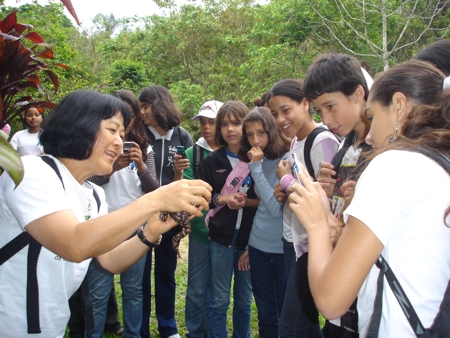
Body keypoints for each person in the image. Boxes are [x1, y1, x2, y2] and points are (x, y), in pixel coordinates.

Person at [0, 90, 211, 338]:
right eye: (112, 131)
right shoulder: (32, 171)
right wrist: (157, 198)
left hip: (50, 326)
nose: (120, 141)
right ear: (80, 125)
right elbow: (74, 244)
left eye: (122, 134)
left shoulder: (93, 194)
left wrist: (152, 229)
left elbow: (110, 260)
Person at [288, 60, 450, 337]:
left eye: (372, 117)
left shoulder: (394, 165)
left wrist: (315, 223)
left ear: (399, 105)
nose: (371, 136)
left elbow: (330, 300)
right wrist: (332, 221)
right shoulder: (440, 163)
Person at [303, 54, 373, 338]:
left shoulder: (385, 151)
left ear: (358, 93)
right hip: (343, 301)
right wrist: (328, 194)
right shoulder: (345, 148)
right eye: (319, 111)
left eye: (331, 106)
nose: (326, 120)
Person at [266, 79, 339, 338]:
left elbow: (332, 197)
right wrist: (284, 192)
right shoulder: (296, 140)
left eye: (286, 110)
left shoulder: (322, 141)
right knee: (305, 322)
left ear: (305, 104)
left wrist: (287, 180)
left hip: (312, 246)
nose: (280, 119)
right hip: (293, 241)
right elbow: (305, 186)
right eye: (275, 114)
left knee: (289, 327)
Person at [87, 90, 159, 338]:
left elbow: (153, 189)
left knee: (133, 290)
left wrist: (140, 166)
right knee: (97, 292)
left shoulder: (145, 148)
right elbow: (87, 180)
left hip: (134, 227)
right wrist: (112, 168)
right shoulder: (96, 145)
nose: (124, 120)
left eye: (129, 114)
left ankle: (133, 334)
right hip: (102, 224)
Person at [198, 101, 258, 338]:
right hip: (221, 238)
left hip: (250, 239)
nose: (230, 129)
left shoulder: (258, 159)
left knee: (244, 299)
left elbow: (267, 199)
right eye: (224, 124)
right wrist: (223, 200)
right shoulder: (212, 161)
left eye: (236, 123)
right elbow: (203, 198)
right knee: (219, 299)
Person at [138, 85, 194, 338]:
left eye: (145, 106)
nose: (141, 112)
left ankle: (168, 327)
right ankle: (139, 328)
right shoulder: (139, 135)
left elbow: (189, 178)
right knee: (139, 275)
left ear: (159, 105)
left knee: (165, 272)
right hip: (140, 214)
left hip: (169, 218)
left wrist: (182, 170)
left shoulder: (182, 137)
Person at [237, 107, 290, 338]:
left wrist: (256, 168)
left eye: (261, 132)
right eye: (250, 135)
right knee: (266, 314)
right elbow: (261, 209)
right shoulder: (261, 160)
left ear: (271, 130)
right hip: (259, 248)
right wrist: (251, 245)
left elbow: (275, 209)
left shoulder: (285, 161)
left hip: (282, 251)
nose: (256, 140)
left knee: (285, 314)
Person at [173, 100, 223, 338]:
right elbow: (186, 191)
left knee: (220, 290)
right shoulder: (194, 153)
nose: (205, 127)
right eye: (202, 122)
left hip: (227, 234)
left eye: (211, 122)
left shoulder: (235, 151)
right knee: (196, 288)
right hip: (201, 233)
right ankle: (196, 332)